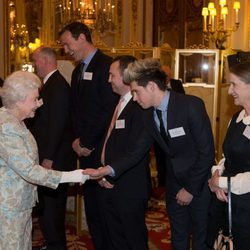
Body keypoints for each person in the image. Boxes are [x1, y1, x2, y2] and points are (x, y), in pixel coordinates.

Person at [122, 58, 215, 250]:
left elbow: (206, 152)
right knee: (178, 237)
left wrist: (190, 189)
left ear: (151, 87)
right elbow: (137, 151)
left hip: (200, 185)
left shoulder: (191, 106)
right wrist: (108, 170)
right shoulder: (146, 114)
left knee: (201, 239)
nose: (134, 98)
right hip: (173, 186)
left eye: (136, 92)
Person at [0, 70, 89, 250]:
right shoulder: (7, 126)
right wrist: (73, 176)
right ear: (19, 99)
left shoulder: (16, 121)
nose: (38, 104)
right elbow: (29, 170)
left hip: (19, 205)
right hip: (8, 208)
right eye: (35, 99)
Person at [59, 22, 119, 249]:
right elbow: (75, 111)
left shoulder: (107, 66)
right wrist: (76, 140)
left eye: (68, 43)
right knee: (92, 210)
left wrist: (87, 142)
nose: (66, 49)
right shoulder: (77, 71)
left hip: (102, 152)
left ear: (82, 37)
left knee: (107, 212)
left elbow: (108, 110)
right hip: (83, 150)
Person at [84, 55, 153, 250]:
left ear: (125, 76)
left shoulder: (141, 106)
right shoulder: (120, 101)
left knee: (133, 241)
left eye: (111, 75)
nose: (108, 80)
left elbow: (135, 151)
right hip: (110, 183)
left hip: (129, 187)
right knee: (116, 240)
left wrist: (109, 175)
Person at [28, 46, 75, 250]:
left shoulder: (58, 86)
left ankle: (57, 246)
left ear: (46, 60)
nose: (34, 65)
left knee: (53, 212)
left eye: (35, 60)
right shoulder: (49, 85)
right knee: (46, 210)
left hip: (54, 160)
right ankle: (52, 244)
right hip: (49, 158)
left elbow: (58, 126)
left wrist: (48, 158)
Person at [208, 62, 250, 250]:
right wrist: (217, 173)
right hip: (227, 203)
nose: (229, 91)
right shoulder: (236, 118)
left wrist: (221, 182)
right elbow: (226, 156)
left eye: (234, 85)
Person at [153, 65, 185, 192]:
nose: (166, 77)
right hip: (160, 131)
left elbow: (182, 98)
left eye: (168, 75)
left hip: (175, 126)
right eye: (164, 75)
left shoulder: (176, 84)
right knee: (161, 158)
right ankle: (162, 184)